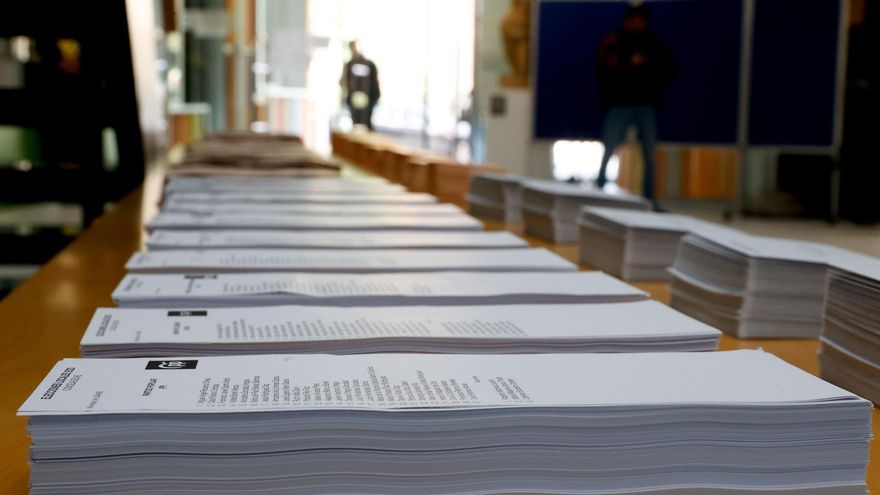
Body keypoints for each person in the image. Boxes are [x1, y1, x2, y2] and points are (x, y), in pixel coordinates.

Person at [595, 3, 675, 202]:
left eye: (641, 20)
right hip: (619, 103)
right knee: (609, 146)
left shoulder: (653, 43)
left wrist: (646, 71)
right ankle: (598, 190)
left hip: (645, 103)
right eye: (634, 20)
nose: (637, 24)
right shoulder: (614, 41)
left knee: (649, 152)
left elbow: (667, 68)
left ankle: (649, 199)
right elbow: (604, 69)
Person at [342, 41, 381, 131]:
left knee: (365, 122)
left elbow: (375, 83)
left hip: (368, 99)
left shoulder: (369, 65)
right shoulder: (349, 64)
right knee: (356, 122)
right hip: (356, 99)